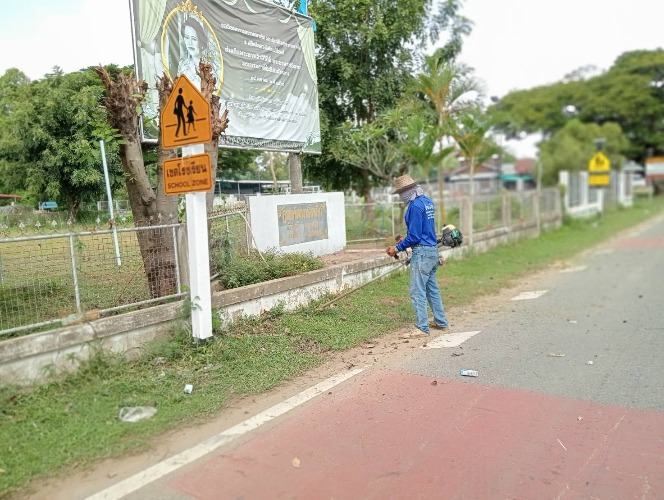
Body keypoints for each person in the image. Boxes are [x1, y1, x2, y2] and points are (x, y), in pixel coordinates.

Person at [385, 174, 449, 339]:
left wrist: (397, 248)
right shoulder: (427, 202)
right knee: (432, 289)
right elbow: (423, 231)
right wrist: (404, 242)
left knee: (417, 290)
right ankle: (441, 321)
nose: (401, 197)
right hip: (432, 251)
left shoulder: (414, 206)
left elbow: (414, 236)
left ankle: (422, 327)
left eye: (401, 193)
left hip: (422, 253)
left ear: (407, 191)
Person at [177, 17, 207, 87]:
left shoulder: (209, 67)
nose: (190, 43)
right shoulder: (183, 65)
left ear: (201, 41)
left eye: (194, 39)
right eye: (187, 38)